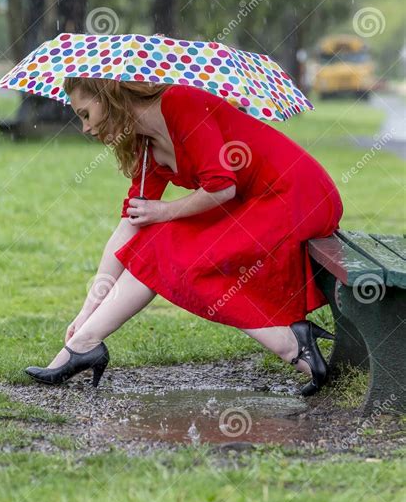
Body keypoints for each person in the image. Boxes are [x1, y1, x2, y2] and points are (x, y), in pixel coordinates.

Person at [25, 79, 344, 395]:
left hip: (296, 194)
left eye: (85, 114)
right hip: (254, 201)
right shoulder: (146, 143)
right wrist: (86, 311)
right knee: (154, 244)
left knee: (183, 260)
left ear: (108, 97)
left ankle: (290, 343)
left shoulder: (181, 102)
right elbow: (129, 226)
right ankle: (82, 343)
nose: (85, 128)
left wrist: (164, 210)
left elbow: (222, 186)